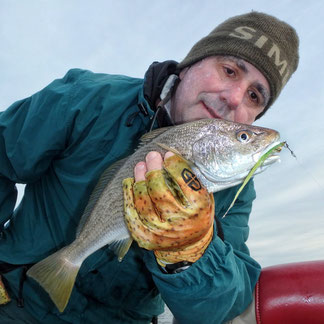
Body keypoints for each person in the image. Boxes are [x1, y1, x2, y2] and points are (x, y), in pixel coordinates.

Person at [0, 11, 299, 324]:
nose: (234, 98)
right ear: (191, 63)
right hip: (19, 299)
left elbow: (224, 304)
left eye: (254, 96)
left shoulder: (236, 187)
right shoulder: (88, 99)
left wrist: (190, 253)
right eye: (229, 70)